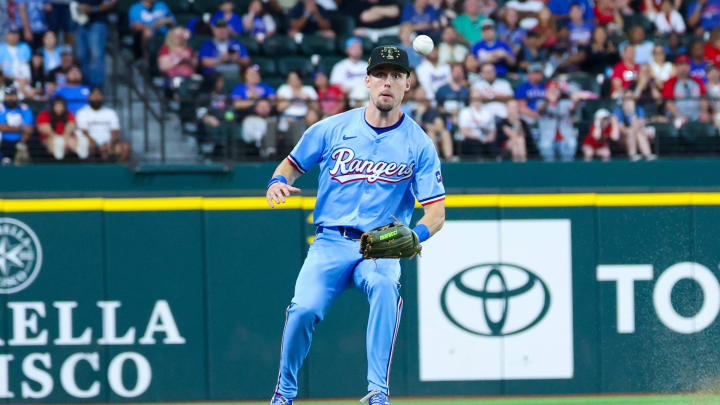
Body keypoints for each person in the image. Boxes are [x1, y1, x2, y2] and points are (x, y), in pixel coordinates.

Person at [266, 45, 445, 405]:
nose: (387, 82)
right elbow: (289, 165)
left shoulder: (419, 144)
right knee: (302, 310)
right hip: (330, 242)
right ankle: (284, 394)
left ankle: (378, 392)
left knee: (384, 288)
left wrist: (416, 234)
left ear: (407, 84)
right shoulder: (331, 128)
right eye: (380, 74)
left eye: (396, 76)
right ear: (366, 80)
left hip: (379, 247)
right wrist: (275, 182)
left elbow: (436, 213)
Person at [76, 88, 130, 161]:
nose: (96, 97)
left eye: (98, 95)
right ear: (89, 97)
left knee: (125, 147)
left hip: (108, 143)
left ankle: (118, 170)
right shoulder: (82, 112)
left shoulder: (110, 112)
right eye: (94, 95)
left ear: (102, 97)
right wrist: (97, 145)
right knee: (88, 146)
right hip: (90, 143)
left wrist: (110, 143)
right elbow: (84, 132)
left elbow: (115, 131)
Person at [74, 0, 116, 90]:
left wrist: (93, 9)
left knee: (96, 55)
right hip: (80, 22)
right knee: (81, 56)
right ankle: (84, 87)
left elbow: (111, 3)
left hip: (98, 22)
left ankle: (96, 89)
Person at [536, 81, 580, 162]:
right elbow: (541, 109)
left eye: (556, 90)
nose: (553, 92)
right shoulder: (541, 103)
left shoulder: (565, 103)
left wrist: (575, 98)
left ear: (559, 92)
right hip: (548, 138)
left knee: (571, 144)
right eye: (551, 90)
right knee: (546, 148)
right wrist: (548, 100)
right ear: (546, 92)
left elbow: (573, 107)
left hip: (565, 137)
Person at [36, 95, 90, 160]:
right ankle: (58, 160)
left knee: (80, 140)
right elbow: (45, 130)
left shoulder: (69, 114)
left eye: (61, 106)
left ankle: (82, 156)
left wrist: (65, 140)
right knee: (58, 142)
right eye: (57, 106)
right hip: (50, 140)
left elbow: (70, 127)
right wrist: (60, 140)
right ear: (52, 107)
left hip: (66, 139)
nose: (59, 109)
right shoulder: (44, 115)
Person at [663, 54, 706, 127]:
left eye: (686, 64)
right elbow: (669, 103)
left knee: (706, 120)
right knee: (679, 123)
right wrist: (679, 115)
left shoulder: (697, 80)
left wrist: (703, 112)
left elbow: (703, 99)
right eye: (681, 64)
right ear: (676, 66)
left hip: (697, 114)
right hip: (677, 116)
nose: (684, 67)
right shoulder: (670, 82)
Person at [614, 92, 656, 161]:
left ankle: (648, 155)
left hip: (637, 133)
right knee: (631, 132)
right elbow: (622, 129)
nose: (629, 101)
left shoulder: (639, 109)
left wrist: (632, 113)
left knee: (639, 133)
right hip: (623, 137)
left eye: (631, 99)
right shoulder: (618, 111)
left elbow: (641, 124)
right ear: (623, 100)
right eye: (627, 99)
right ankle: (633, 155)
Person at [458, 87, 496, 157]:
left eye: (478, 98)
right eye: (475, 98)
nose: (477, 100)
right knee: (475, 146)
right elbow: (464, 131)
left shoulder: (488, 112)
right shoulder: (465, 112)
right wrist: (479, 138)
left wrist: (488, 138)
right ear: (470, 99)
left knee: (493, 147)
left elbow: (492, 132)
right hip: (471, 140)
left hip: (486, 140)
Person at [0, 87, 34, 162]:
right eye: (8, 95)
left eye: (12, 95)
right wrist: (21, 128)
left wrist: (21, 142)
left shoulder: (24, 107)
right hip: (4, 141)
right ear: (5, 96)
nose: (10, 98)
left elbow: (29, 129)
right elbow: (2, 127)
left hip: (22, 140)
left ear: (16, 96)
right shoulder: (1, 108)